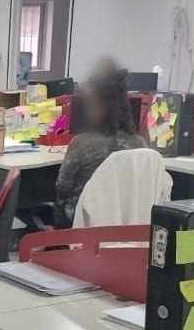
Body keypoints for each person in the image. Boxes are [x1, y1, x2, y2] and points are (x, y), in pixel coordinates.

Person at [54, 72, 146, 226]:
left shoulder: (82, 143)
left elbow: (62, 188)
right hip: (126, 220)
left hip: (84, 219)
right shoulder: (140, 144)